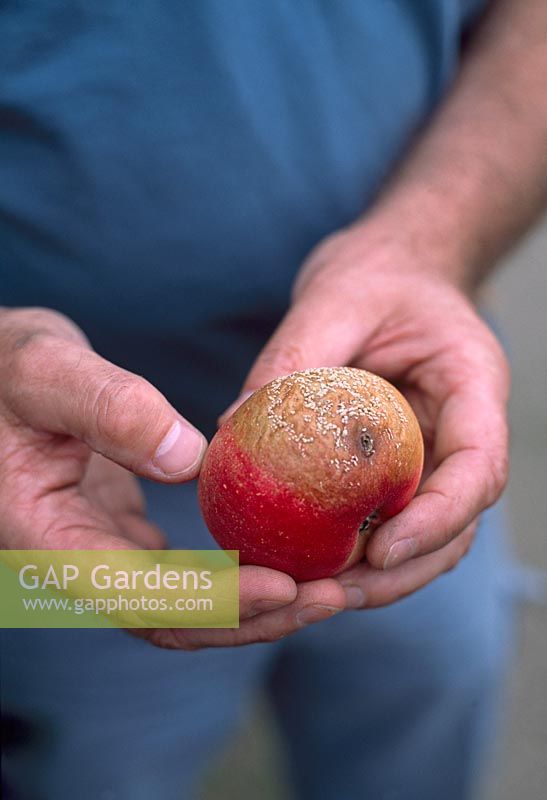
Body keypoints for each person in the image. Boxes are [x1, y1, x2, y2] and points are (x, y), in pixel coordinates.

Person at [1, 1, 546, 798]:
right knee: (82, 766)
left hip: (409, 420)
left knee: (424, 712)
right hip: (44, 477)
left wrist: (429, 242)